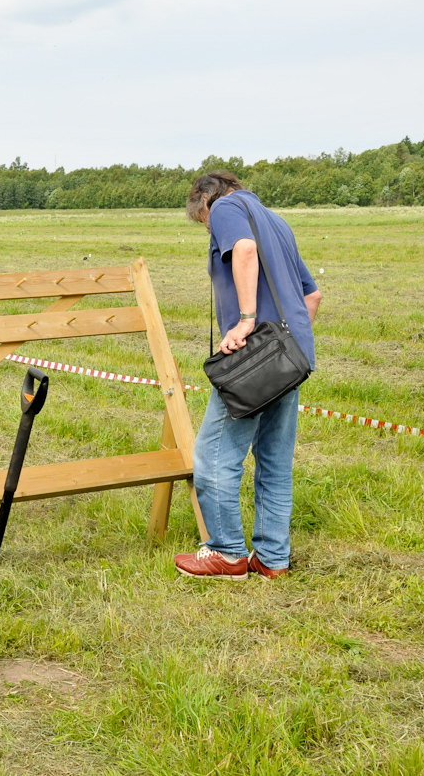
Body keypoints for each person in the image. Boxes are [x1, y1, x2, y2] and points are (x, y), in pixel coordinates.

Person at [175, 172, 322, 581]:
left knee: (213, 454)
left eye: (204, 224)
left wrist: (246, 322)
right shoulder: (276, 220)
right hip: (290, 358)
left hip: (254, 357)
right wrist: (285, 344)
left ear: (205, 200)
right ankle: (273, 559)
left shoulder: (226, 207)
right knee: (274, 461)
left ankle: (227, 553)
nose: (210, 229)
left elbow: (243, 248)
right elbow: (313, 295)